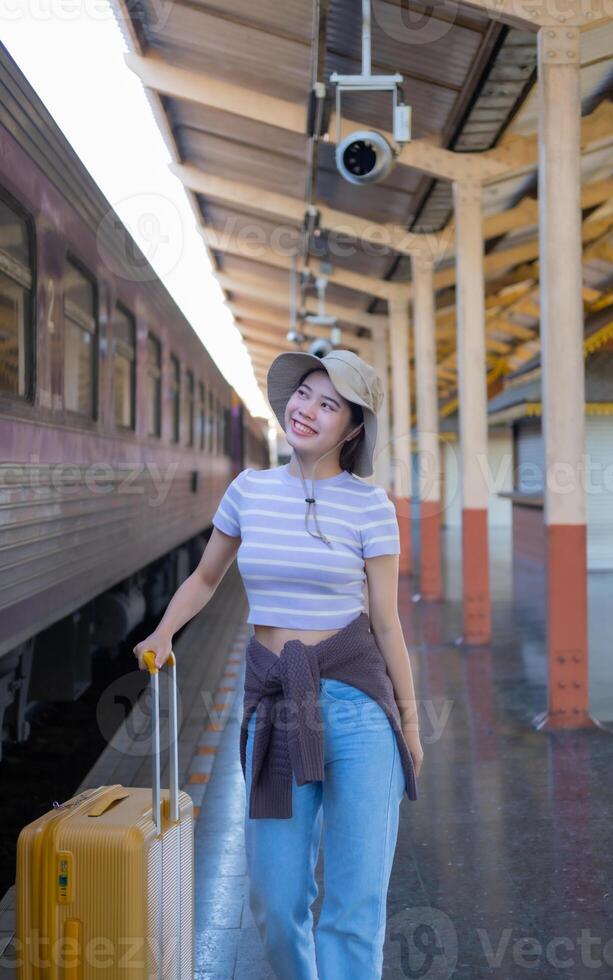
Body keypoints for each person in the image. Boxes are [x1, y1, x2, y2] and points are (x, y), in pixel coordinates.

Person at [133, 349, 423, 979]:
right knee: (274, 895)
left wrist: (411, 722)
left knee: (355, 900)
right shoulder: (250, 490)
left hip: (358, 705)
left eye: (328, 403)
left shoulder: (370, 507)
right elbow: (207, 579)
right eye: (304, 395)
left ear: (351, 429)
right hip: (277, 704)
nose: (307, 410)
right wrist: (163, 631)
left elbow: (385, 622)